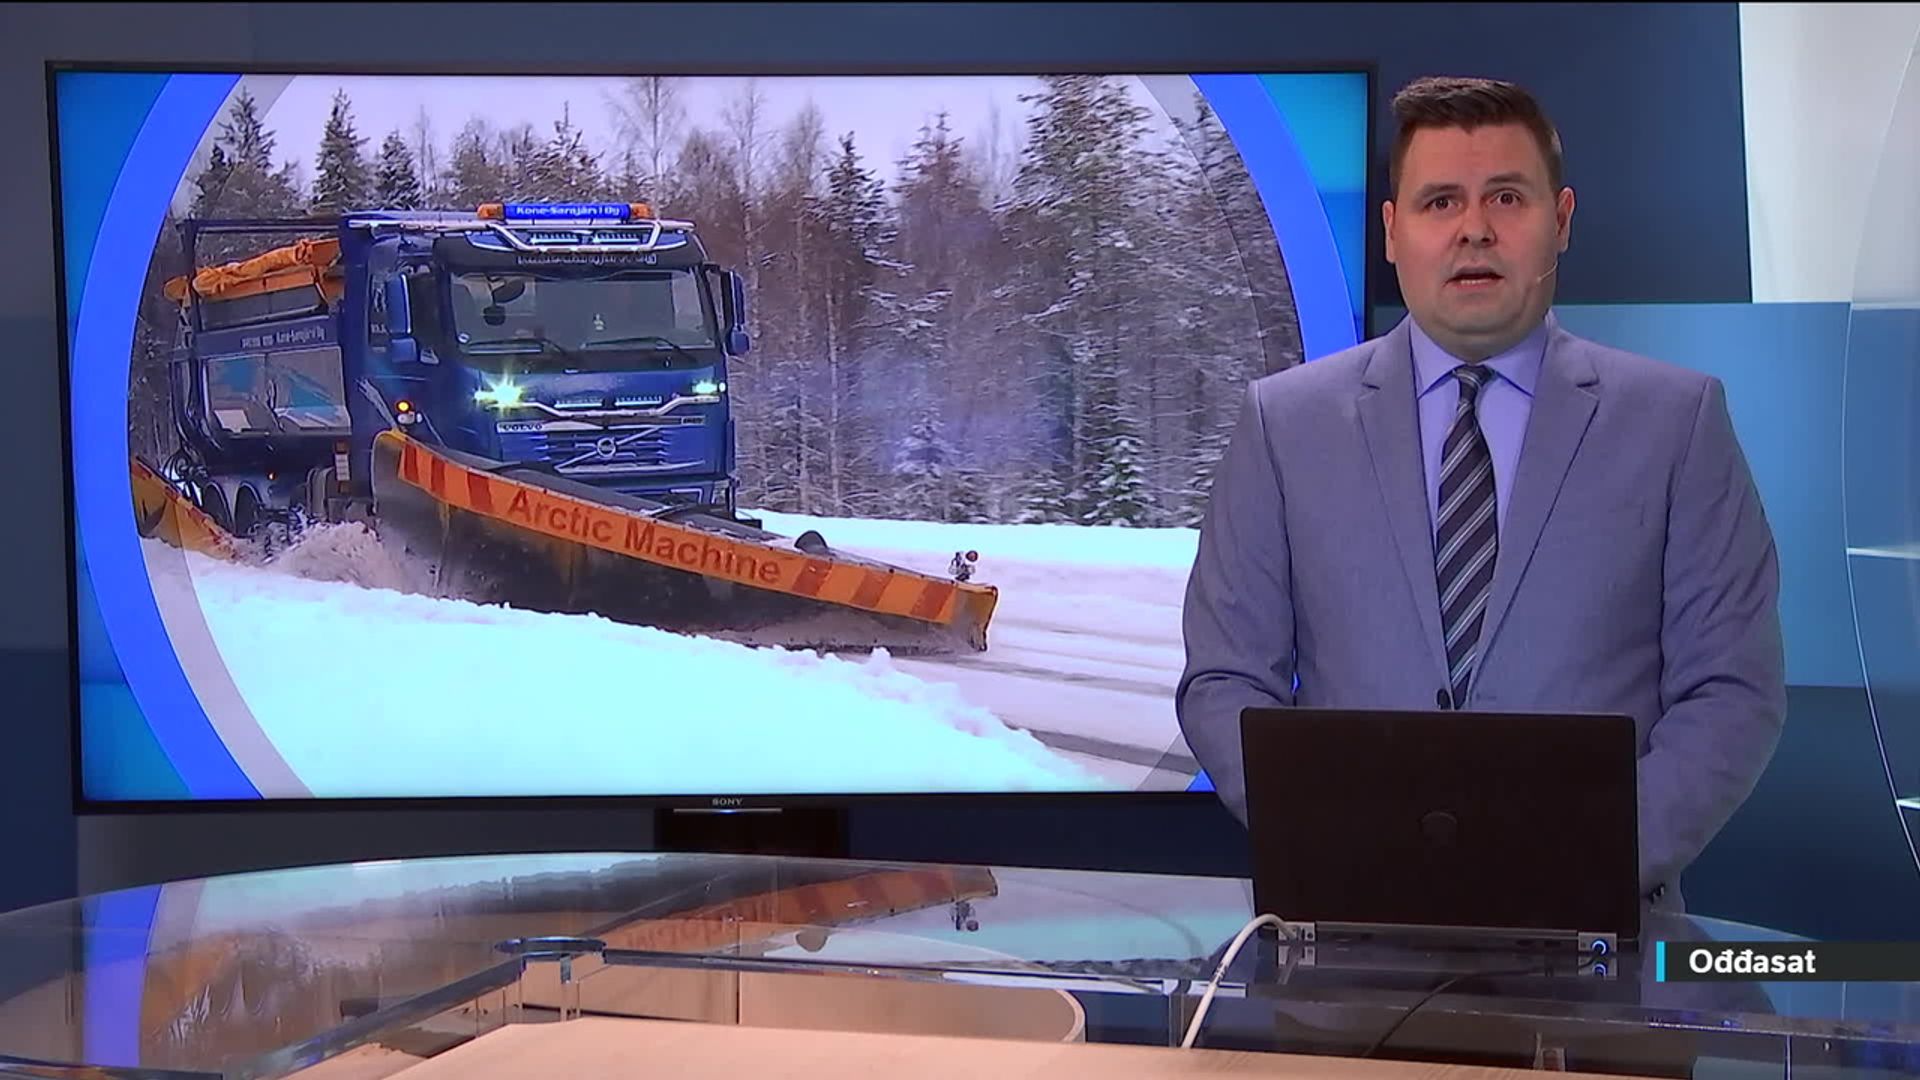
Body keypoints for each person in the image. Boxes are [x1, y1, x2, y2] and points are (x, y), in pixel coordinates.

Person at [1176, 76, 1785, 911]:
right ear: (1392, 232)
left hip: (1599, 933)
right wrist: (1337, 839)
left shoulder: (1678, 424)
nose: (1474, 229)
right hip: (1349, 930)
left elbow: (1731, 691)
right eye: (1439, 202)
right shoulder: (1283, 426)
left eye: (1506, 197)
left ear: (1560, 220)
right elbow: (1223, 681)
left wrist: (1583, 858)